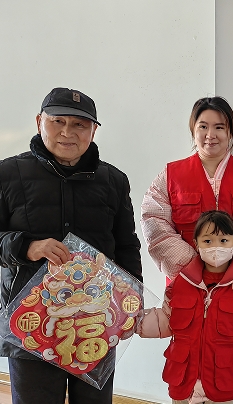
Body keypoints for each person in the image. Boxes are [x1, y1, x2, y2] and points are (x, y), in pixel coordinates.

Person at [0, 87, 143, 404]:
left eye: (79, 124)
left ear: (93, 130)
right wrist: (27, 247)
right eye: (58, 121)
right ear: (39, 122)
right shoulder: (7, 174)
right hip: (31, 322)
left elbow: (126, 245)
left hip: (95, 320)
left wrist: (133, 301)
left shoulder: (114, 180)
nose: (68, 132)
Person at [141, 97, 233, 281]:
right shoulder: (171, 174)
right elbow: (154, 220)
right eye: (203, 127)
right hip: (186, 280)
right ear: (193, 130)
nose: (210, 135)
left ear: (230, 132)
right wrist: (190, 264)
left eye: (219, 127)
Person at [137, 210, 233, 404]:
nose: (215, 247)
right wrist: (132, 321)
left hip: (226, 384)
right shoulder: (180, 283)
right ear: (196, 244)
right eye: (207, 241)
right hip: (184, 382)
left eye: (223, 241)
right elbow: (166, 320)